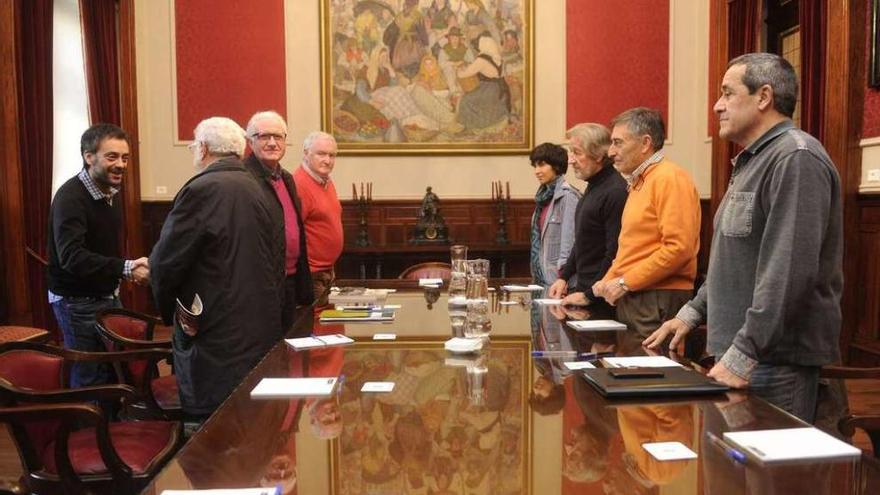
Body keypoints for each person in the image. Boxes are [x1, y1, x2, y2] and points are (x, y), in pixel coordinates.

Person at [644, 53, 843, 422]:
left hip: (773, 363)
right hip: (742, 354)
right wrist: (691, 313)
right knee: (728, 478)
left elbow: (788, 274)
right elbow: (731, 259)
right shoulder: (754, 160)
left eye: (727, 93)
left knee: (770, 480)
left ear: (763, 97)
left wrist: (744, 353)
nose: (717, 105)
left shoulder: (795, 159)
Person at [149, 117, 285, 418]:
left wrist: (167, 310)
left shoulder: (202, 189)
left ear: (204, 148)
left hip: (216, 334)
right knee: (252, 421)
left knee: (214, 434)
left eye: (193, 145)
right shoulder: (262, 189)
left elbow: (166, 262)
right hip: (260, 328)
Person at [47, 123, 149, 388]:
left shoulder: (108, 192)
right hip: (77, 302)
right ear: (88, 156)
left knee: (113, 372)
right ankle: (88, 430)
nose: (121, 165)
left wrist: (124, 270)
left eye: (125, 158)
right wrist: (126, 268)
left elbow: (101, 250)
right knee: (91, 376)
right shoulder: (71, 198)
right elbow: (72, 257)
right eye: (112, 156)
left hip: (105, 296)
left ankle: (112, 429)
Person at [592, 108, 700, 337]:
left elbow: (678, 248)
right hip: (638, 294)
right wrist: (610, 278)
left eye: (618, 143)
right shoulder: (641, 180)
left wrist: (624, 282)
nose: (611, 152)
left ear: (645, 143)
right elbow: (635, 246)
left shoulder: (669, 178)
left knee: (648, 370)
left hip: (657, 297)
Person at [243, 111, 314, 335]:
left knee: (289, 347)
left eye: (278, 137)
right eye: (264, 136)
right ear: (249, 141)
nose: (272, 143)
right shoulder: (243, 180)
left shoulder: (286, 178)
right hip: (262, 287)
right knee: (268, 351)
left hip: (290, 281)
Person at [547, 123, 627, 306]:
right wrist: (564, 277)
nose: (571, 160)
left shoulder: (615, 191)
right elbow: (583, 241)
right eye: (571, 152)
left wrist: (589, 295)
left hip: (602, 298)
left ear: (599, 155)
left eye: (577, 153)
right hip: (586, 291)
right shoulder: (593, 185)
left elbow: (614, 252)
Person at [293, 131, 344, 306]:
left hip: (327, 271)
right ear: (306, 154)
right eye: (321, 154)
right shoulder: (299, 185)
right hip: (311, 275)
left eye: (332, 155)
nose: (327, 160)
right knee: (316, 328)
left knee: (329, 326)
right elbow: (293, 234)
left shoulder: (325, 181)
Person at [527, 142, 580, 288]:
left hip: (560, 282)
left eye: (542, 165)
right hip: (541, 279)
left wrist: (563, 279)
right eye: (535, 166)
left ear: (556, 166)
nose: (537, 171)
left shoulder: (568, 196)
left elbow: (569, 244)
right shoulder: (542, 197)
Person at [456, 35, 510, 130]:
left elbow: (463, 75)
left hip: (487, 89)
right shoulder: (499, 58)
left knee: (465, 100)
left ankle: (469, 126)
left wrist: (458, 70)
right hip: (500, 88)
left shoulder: (481, 60)